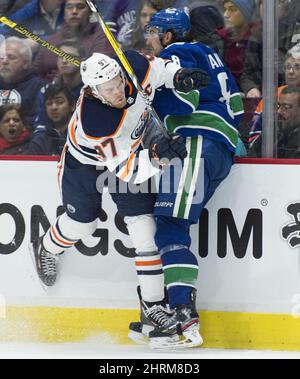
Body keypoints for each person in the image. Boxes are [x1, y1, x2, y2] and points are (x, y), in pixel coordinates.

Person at [29, 49, 209, 340]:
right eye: (107, 89)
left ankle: (151, 307)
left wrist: (179, 77)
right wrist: (157, 156)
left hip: (133, 149)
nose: (116, 91)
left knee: (145, 230)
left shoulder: (132, 65)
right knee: (83, 225)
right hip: (86, 162)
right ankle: (47, 247)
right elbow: (125, 170)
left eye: (116, 81)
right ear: (93, 91)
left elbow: (160, 70)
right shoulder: (97, 120)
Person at [140, 7, 243, 349]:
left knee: (169, 224)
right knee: (174, 224)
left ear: (168, 35)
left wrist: (145, 90)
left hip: (195, 142)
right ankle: (180, 310)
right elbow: (237, 105)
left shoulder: (174, 53)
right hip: (219, 148)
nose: (149, 39)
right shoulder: (210, 53)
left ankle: (183, 316)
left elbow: (185, 98)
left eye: (153, 32)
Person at [33, 0, 114, 81]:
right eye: (69, 7)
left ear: (90, 12)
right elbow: (35, 73)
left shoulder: (100, 36)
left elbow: (99, 71)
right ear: (64, 13)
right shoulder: (52, 40)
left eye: (80, 7)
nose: (74, 11)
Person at [0, 36, 46, 127]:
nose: (4, 62)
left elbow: (37, 124)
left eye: (11, 57)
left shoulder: (39, 87)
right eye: (1, 58)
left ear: (25, 63)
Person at [248, 87, 300, 158]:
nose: (279, 111)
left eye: (286, 107)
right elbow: (252, 156)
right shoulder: (273, 130)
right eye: (278, 106)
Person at [27, 81, 75, 155]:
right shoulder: (40, 141)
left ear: (72, 106)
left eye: (59, 102)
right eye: (49, 103)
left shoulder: (83, 136)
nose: (54, 107)